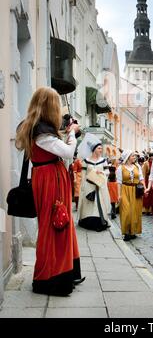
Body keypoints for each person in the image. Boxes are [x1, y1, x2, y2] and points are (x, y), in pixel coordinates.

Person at [15, 87, 84, 296]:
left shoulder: (35, 127)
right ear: (50, 106)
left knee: (59, 224)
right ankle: (49, 278)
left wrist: (67, 131)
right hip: (50, 181)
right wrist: (71, 133)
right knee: (55, 226)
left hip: (49, 179)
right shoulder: (41, 131)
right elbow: (68, 152)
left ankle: (64, 272)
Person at [77, 134, 111, 232]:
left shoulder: (103, 161)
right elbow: (83, 174)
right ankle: (87, 221)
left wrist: (102, 173)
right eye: (99, 148)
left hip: (100, 186)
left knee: (98, 205)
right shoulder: (86, 161)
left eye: (101, 148)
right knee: (89, 204)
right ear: (94, 149)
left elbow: (107, 172)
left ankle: (99, 222)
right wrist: (83, 187)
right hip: (89, 185)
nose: (101, 150)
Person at [116, 151, 145, 241]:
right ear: (127, 157)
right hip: (125, 189)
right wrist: (118, 194)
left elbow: (141, 179)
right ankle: (126, 232)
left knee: (135, 211)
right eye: (133, 156)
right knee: (126, 211)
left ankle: (133, 231)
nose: (134, 157)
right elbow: (119, 182)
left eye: (135, 156)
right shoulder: (121, 168)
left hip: (136, 191)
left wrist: (145, 188)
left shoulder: (137, 167)